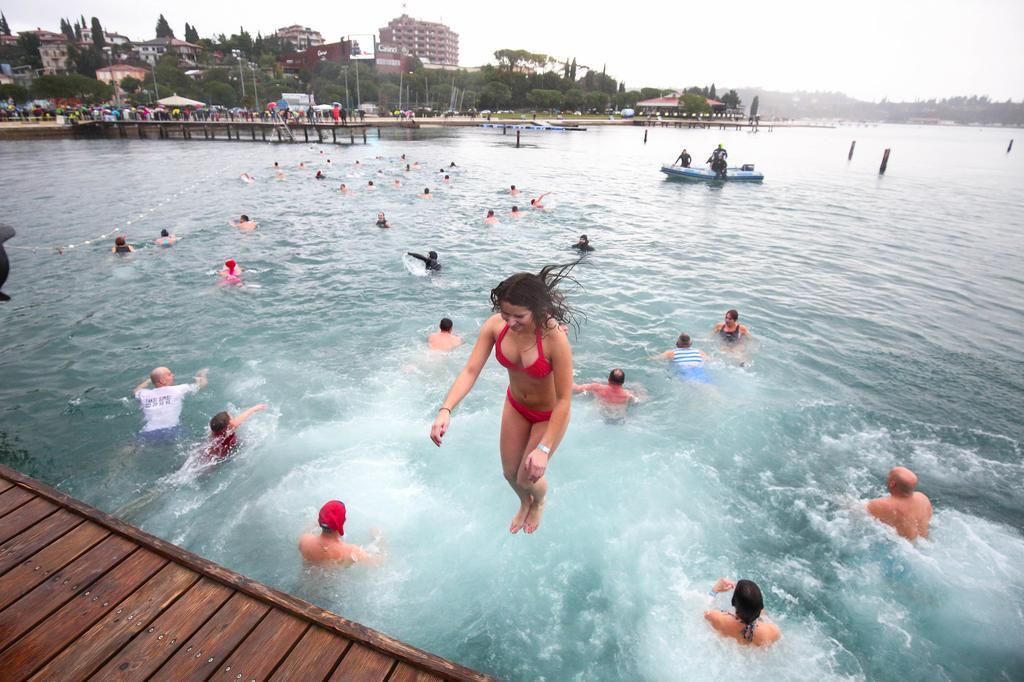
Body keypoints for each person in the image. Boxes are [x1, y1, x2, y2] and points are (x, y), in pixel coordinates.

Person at [430, 264, 578, 534]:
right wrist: (446, 409)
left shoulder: (554, 338)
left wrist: (543, 449)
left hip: (549, 415)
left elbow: (565, 401)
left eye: (518, 315)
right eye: (504, 313)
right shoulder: (496, 327)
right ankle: (524, 502)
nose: (509, 322)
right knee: (510, 474)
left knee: (527, 475)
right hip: (517, 406)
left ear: (537, 309)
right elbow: (471, 370)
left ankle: (540, 500)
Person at [298, 500, 382, 566]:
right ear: (343, 521)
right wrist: (379, 538)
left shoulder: (304, 540)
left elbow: (308, 531)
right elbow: (377, 563)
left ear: (319, 520)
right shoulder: (351, 552)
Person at [133, 366, 209, 439]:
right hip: (172, 430)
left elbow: (136, 390)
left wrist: (149, 380)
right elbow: (202, 384)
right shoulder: (178, 389)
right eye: (169, 374)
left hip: (149, 432)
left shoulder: (144, 394)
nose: (173, 375)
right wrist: (201, 376)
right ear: (162, 380)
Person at [704, 578, 781, 646]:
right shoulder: (772, 632)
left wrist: (715, 590)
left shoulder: (718, 618)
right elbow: (764, 617)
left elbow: (703, 609)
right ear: (760, 606)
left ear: (734, 602)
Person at [866, 467, 933, 541]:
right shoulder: (923, 498)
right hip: (924, 544)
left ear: (892, 484)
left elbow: (857, 513)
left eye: (889, 477)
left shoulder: (881, 504)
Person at [573, 369, 641, 422]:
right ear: (623, 382)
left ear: (608, 379)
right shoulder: (629, 395)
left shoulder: (597, 388)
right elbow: (638, 401)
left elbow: (576, 389)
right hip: (620, 420)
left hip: (600, 417)